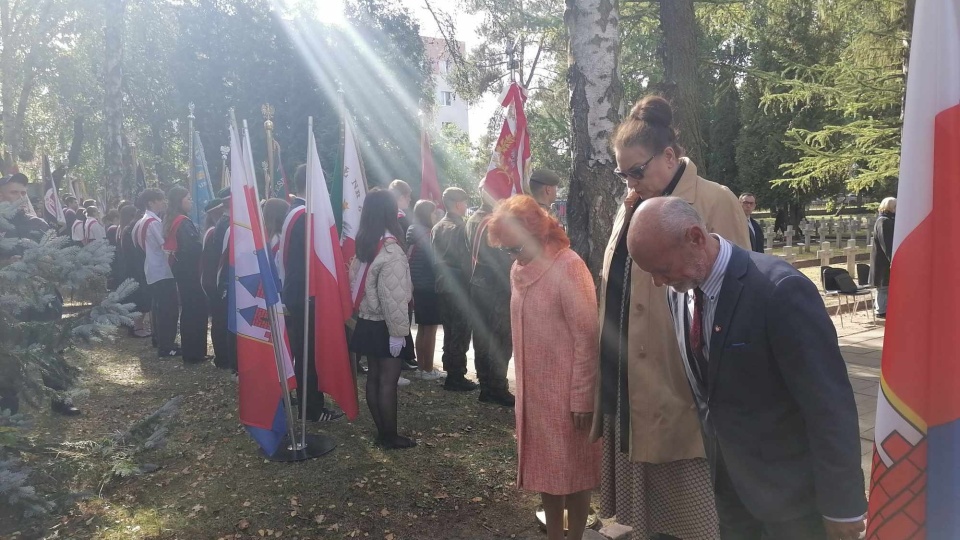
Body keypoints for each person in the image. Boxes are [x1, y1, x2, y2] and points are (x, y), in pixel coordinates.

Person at [626, 196, 867, 540]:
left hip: (795, 504)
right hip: (732, 494)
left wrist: (843, 505)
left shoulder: (779, 291)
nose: (658, 283)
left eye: (662, 269)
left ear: (695, 237)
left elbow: (829, 406)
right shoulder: (679, 293)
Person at [592, 95, 751, 540]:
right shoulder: (629, 207)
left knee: (695, 515)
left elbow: (739, 295)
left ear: (668, 156)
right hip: (631, 384)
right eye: (622, 173)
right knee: (643, 518)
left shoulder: (714, 200)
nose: (630, 181)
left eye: (636, 171)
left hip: (683, 390)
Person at [487, 196, 600, 540]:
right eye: (505, 250)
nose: (511, 254)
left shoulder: (569, 266)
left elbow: (587, 336)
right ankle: (554, 535)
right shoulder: (518, 268)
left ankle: (575, 536)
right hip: (534, 395)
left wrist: (582, 397)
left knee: (575, 474)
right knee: (548, 474)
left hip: (567, 395)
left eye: (514, 246)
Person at [349, 189, 417, 450]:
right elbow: (395, 297)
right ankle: (390, 436)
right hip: (387, 324)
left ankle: (382, 432)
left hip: (368, 321)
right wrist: (399, 333)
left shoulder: (366, 242)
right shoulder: (391, 250)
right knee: (387, 382)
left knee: (375, 378)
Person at [278, 165, 343, 421]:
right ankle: (312, 410)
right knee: (308, 356)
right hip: (303, 295)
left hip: (296, 292)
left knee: (306, 354)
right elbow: (304, 264)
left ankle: (310, 405)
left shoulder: (293, 210)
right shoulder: (305, 215)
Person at [466, 188, 515, 407]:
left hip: (478, 282)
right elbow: (500, 259)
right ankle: (497, 386)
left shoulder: (472, 219)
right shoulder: (493, 222)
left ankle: (486, 385)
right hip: (496, 285)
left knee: (483, 336)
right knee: (501, 338)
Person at [432, 187, 478, 392]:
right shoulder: (460, 227)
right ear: (459, 204)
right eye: (465, 203)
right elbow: (465, 260)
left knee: (449, 330)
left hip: (442, 283)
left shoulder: (438, 226)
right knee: (460, 331)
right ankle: (456, 376)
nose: (466, 206)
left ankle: (451, 371)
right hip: (459, 283)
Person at [163, 186, 209, 365]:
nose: (191, 201)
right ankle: (194, 352)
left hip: (182, 271)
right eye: (188, 198)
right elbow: (191, 248)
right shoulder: (182, 222)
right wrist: (204, 244)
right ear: (179, 201)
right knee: (195, 310)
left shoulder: (174, 220)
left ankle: (193, 351)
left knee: (190, 309)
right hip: (190, 272)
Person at [134, 188, 180, 358]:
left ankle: (159, 340)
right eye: (159, 200)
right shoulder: (153, 222)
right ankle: (167, 346)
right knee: (168, 310)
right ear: (150, 203)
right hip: (162, 270)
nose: (163, 203)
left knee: (158, 307)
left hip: (152, 269)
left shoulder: (141, 221)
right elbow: (166, 245)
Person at [406, 199, 445, 381]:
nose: (436, 215)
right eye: (434, 212)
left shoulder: (413, 231)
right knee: (430, 329)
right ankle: (428, 369)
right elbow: (435, 262)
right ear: (426, 214)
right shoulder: (428, 235)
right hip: (429, 286)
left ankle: (422, 366)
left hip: (417, 286)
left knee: (422, 328)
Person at [203, 188, 235, 371]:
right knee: (222, 319)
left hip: (219, 280)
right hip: (221, 280)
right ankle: (224, 358)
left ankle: (224, 357)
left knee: (221, 319)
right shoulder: (225, 224)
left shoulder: (223, 223)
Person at [118, 203, 151, 338]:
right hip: (135, 268)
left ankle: (134, 325)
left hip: (128, 267)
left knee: (134, 297)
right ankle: (137, 327)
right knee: (139, 298)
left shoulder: (123, 228)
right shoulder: (131, 228)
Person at [869, 197, 895, 318]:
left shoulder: (888, 220)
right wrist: (893, 260)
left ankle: (883, 309)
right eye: (895, 207)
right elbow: (887, 243)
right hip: (882, 262)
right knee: (883, 287)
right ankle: (881, 311)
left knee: (885, 287)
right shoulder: (884, 221)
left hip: (885, 261)